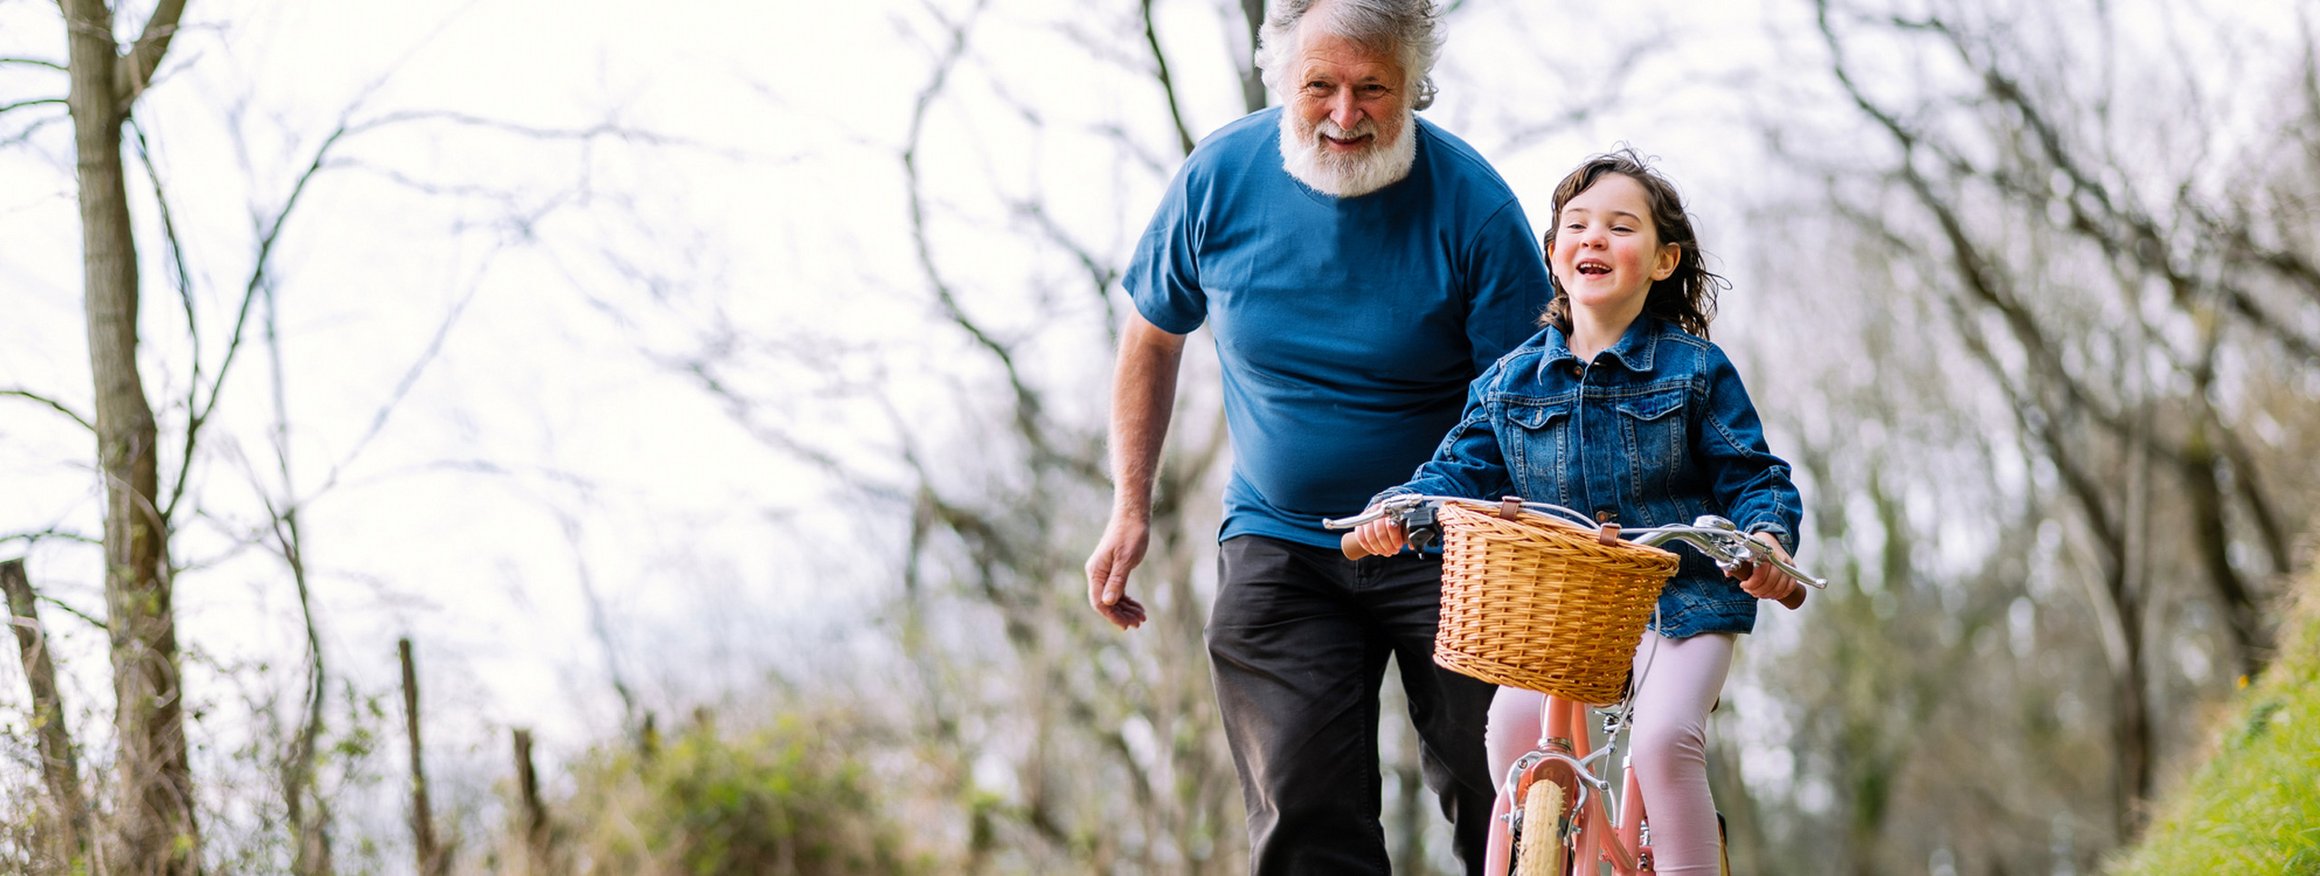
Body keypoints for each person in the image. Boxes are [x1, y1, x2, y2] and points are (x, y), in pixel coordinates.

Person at [1082, 0, 1553, 871]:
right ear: (1282, 81)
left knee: (1504, 798)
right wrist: (1129, 506)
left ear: (1414, 87)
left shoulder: (1475, 207)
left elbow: (1528, 404)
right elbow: (1151, 336)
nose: (1345, 114)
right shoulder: (1219, 178)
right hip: (1280, 541)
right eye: (1321, 87)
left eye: (1373, 88)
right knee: (1304, 814)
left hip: (1451, 547)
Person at [1347, 149, 1804, 876]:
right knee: (1508, 734)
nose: (1594, 238)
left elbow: (1755, 475)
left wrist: (1765, 544)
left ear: (1663, 260)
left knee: (1662, 743)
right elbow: (1450, 474)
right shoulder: (1508, 383)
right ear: (1555, 254)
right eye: (1577, 226)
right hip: (1562, 609)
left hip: (1680, 600)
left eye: (1621, 227)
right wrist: (1397, 513)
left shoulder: (1694, 370)